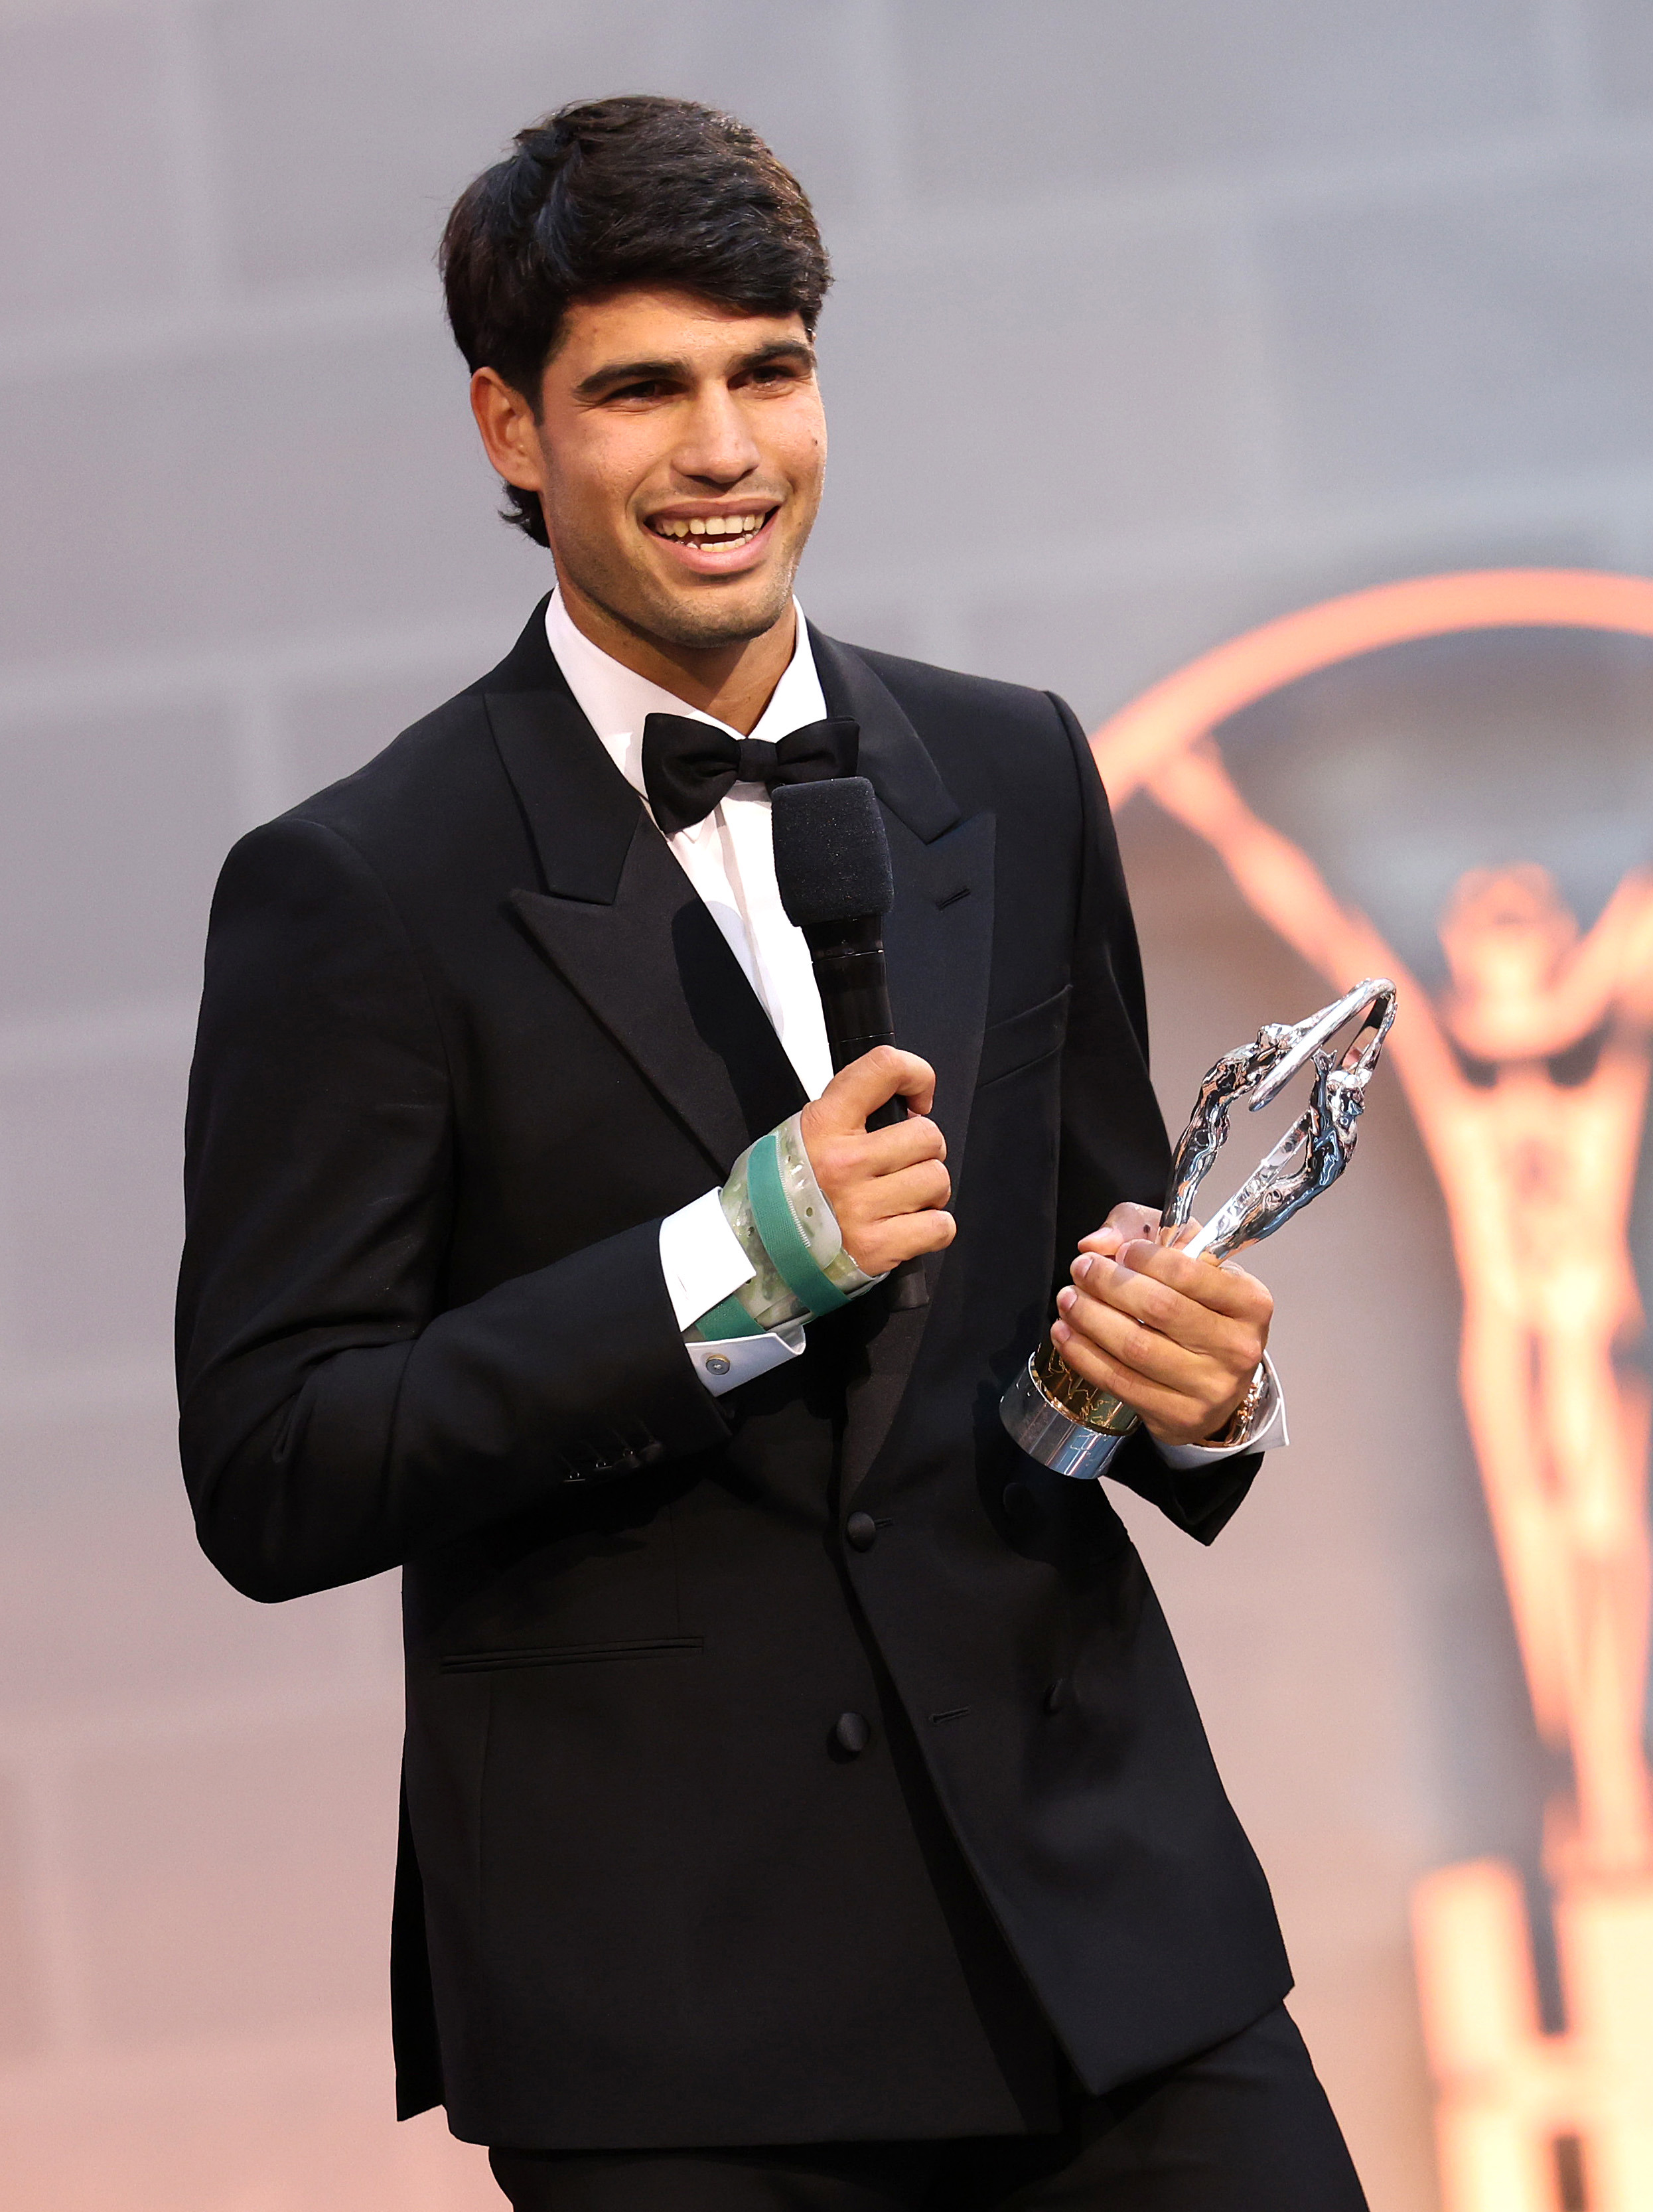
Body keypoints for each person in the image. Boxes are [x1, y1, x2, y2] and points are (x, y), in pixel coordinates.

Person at [175, 94, 1367, 2211]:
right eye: (643, 389)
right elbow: (276, 1464)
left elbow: (1100, 1263)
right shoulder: (362, 885)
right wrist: (724, 1272)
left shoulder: (1011, 763)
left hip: (1105, 1940)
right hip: (678, 2024)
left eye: (770, 371)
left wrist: (1197, 1393)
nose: (725, 450)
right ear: (512, 428)